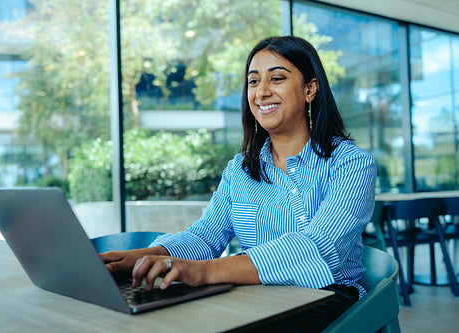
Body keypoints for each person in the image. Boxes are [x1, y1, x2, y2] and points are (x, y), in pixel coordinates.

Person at [100, 35, 376, 331]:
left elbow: (318, 250)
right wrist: (147, 256)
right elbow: (205, 237)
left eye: (277, 78)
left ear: (310, 89)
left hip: (326, 297)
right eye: (254, 82)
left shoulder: (351, 163)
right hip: (253, 295)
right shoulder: (240, 169)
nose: (262, 92)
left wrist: (204, 272)